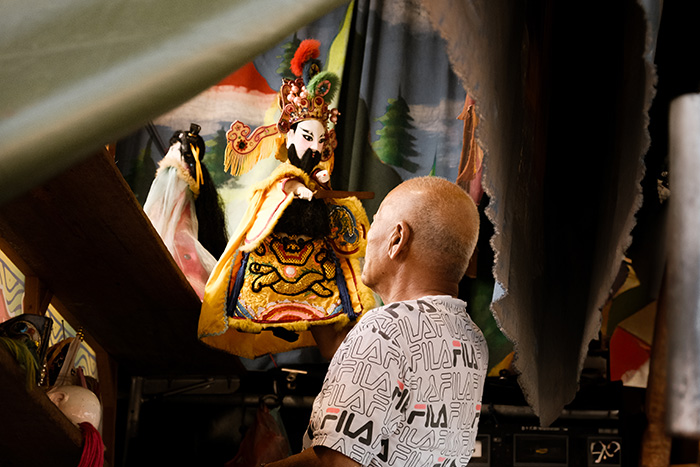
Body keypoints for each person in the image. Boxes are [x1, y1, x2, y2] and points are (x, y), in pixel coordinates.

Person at [267, 176, 488, 466]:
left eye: (375, 221)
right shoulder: (471, 339)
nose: (366, 236)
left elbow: (334, 463)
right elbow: (354, 359)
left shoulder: (384, 329)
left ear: (397, 239)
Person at [198, 40, 375, 359]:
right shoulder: (283, 178)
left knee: (323, 288)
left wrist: (322, 189)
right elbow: (283, 189)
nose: (314, 147)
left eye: (320, 140)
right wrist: (300, 189)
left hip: (314, 249)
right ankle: (267, 319)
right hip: (275, 245)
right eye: (307, 137)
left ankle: (310, 321)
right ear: (290, 136)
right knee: (264, 283)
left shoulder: (317, 175)